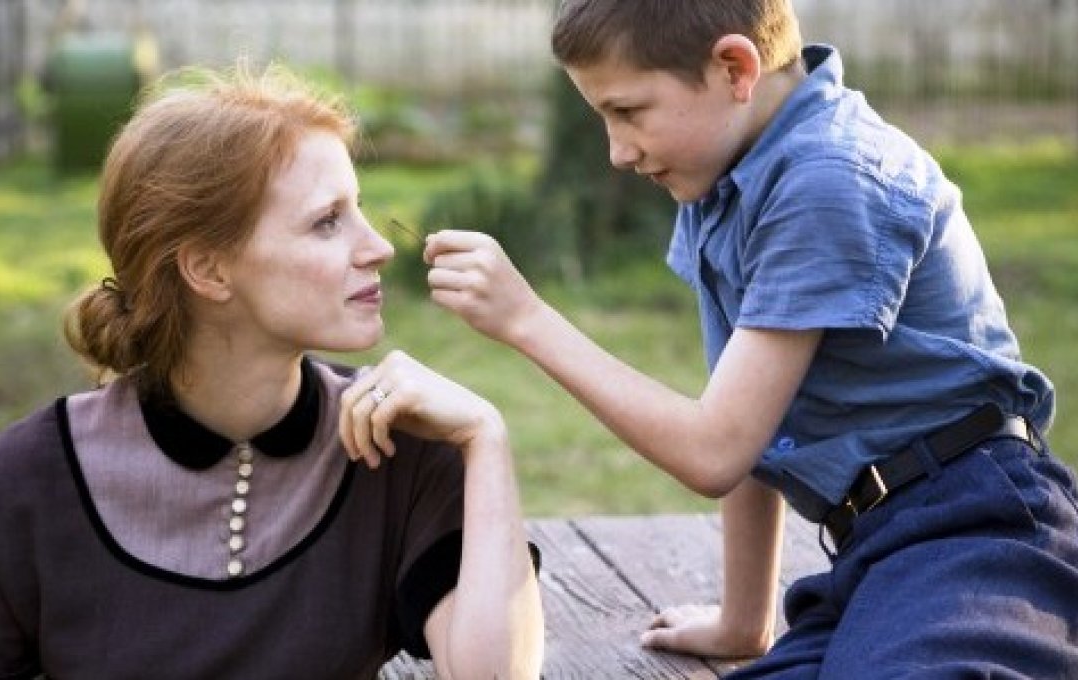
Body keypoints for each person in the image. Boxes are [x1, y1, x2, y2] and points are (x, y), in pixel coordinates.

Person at [421, 0, 1078, 677]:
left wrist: (528, 320)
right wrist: (743, 623)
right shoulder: (724, 185)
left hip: (978, 534)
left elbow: (715, 450)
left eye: (628, 111)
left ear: (735, 67)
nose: (616, 152)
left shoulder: (829, 178)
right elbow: (751, 428)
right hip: (877, 554)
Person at [0, 63, 543, 680]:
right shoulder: (31, 479)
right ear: (209, 271)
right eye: (328, 221)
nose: (378, 246)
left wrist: (483, 437)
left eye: (359, 209)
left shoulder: (396, 444)